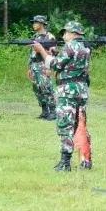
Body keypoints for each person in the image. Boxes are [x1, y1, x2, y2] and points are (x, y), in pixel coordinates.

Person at [34, 21, 92, 171]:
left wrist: (42, 51)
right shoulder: (85, 47)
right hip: (81, 88)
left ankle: (65, 162)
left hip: (68, 89)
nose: (63, 35)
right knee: (80, 123)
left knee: (65, 123)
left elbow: (56, 65)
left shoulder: (70, 46)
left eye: (65, 32)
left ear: (73, 33)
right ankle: (86, 159)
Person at [28, 16, 57, 120]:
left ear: (41, 24)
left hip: (44, 64)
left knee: (47, 88)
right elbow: (31, 53)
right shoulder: (34, 36)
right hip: (34, 65)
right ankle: (44, 110)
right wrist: (29, 67)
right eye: (33, 22)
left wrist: (49, 67)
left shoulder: (49, 36)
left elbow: (53, 53)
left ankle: (53, 111)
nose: (34, 24)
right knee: (37, 89)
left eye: (36, 22)